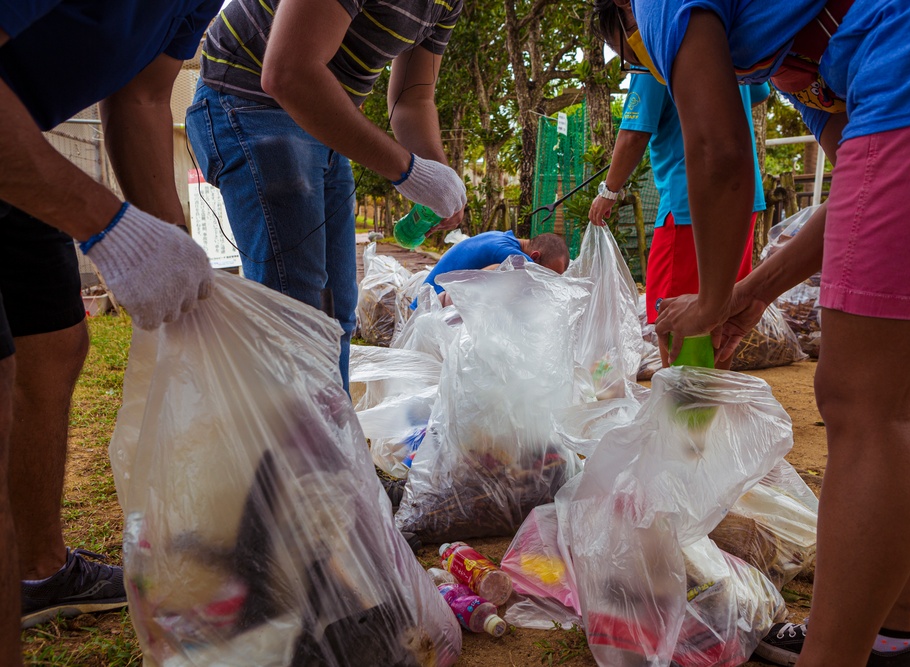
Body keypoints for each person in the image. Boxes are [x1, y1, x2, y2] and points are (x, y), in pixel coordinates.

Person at [593, 0, 910, 665]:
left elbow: (720, 154)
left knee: (863, 397)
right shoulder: (800, 58)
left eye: (640, 55)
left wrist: (714, 298)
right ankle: (886, 637)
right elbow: (859, 190)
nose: (659, 66)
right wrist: (750, 293)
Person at [0, 1, 220, 661]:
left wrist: (169, 245)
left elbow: (147, 96)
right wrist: (107, 224)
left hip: (19, 132)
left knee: (54, 342)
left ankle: (40, 571)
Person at [187, 0, 468, 392]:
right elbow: (289, 73)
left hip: (323, 118)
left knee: (336, 312)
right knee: (296, 315)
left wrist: (439, 177)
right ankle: (286, 449)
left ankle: (328, 445)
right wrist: (409, 170)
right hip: (250, 98)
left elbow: (411, 100)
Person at [587, 66, 768, 368]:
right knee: (723, 313)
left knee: (673, 317)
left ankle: (680, 412)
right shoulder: (729, 41)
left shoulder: (653, 53)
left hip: (691, 201)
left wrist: (610, 190)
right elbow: (758, 93)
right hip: (745, 197)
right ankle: (709, 407)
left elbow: (634, 133)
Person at [414, 231, 570, 307]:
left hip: (428, 304)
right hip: (427, 309)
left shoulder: (501, 237)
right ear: (535, 257)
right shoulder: (511, 256)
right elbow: (535, 287)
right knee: (506, 276)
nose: (545, 279)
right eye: (545, 274)